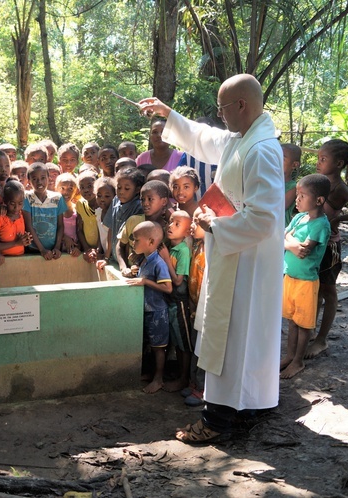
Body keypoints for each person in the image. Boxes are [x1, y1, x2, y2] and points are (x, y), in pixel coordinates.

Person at [139, 73, 285, 443]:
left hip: (246, 264)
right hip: (236, 256)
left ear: (241, 106)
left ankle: (217, 421)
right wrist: (168, 114)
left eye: (222, 108)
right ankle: (248, 409)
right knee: (242, 338)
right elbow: (206, 138)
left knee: (234, 337)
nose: (219, 115)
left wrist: (214, 223)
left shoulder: (261, 149)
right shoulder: (243, 139)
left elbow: (264, 218)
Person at [306, 139, 348, 359]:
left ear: (339, 164)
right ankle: (311, 330)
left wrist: (339, 218)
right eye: (318, 158)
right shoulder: (320, 182)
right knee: (314, 289)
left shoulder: (339, 189)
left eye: (323, 159)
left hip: (330, 246)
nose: (318, 162)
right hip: (315, 243)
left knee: (329, 291)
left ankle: (322, 340)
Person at [281, 174, 331, 379]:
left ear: (319, 200)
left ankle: (298, 361)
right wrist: (290, 242)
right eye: (297, 195)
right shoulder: (299, 217)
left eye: (302, 196)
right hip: (290, 278)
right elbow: (284, 235)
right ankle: (290, 356)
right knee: (292, 321)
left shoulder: (320, 225)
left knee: (303, 324)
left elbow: (303, 250)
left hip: (306, 283)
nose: (297, 199)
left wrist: (288, 241)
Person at [125, 221, 172, 394]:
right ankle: (151, 374)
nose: (133, 243)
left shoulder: (158, 263)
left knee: (159, 347)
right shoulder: (145, 259)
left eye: (137, 240)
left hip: (157, 311)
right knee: (150, 344)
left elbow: (168, 288)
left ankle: (158, 379)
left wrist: (145, 281)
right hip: (147, 309)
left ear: (151, 242)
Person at [163, 210, 193, 392]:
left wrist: (166, 259)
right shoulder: (171, 246)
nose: (171, 227)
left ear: (187, 231)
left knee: (184, 343)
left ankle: (184, 378)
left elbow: (178, 281)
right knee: (177, 341)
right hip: (171, 301)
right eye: (171, 222)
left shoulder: (182, 250)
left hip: (180, 302)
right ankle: (180, 374)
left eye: (177, 225)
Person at [116, 180, 171, 275]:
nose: (145, 203)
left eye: (150, 199)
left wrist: (142, 255)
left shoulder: (167, 230)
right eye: (142, 199)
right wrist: (124, 268)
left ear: (164, 201)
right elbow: (120, 246)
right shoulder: (133, 221)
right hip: (130, 275)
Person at [184, 217, 207, 406]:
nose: (192, 226)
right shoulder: (198, 246)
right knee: (194, 346)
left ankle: (201, 389)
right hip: (195, 305)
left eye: (197, 222)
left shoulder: (211, 250)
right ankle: (194, 384)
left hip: (205, 308)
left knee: (202, 349)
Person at [23, 162, 66, 260]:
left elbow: (60, 225)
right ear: (29, 181)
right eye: (34, 179)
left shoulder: (57, 198)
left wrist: (57, 247)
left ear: (48, 178)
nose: (39, 182)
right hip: (33, 249)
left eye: (43, 178)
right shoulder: (27, 198)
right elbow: (29, 225)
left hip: (52, 249)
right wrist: (42, 249)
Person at [109, 167, 145, 269]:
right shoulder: (115, 200)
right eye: (119, 187)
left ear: (137, 189)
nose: (121, 192)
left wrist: (125, 266)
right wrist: (107, 257)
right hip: (117, 259)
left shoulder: (139, 207)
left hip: (131, 263)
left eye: (127, 188)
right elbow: (110, 229)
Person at [0, 180, 32, 256]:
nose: (16, 207)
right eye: (12, 203)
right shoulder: (0, 217)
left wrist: (26, 239)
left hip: (21, 258)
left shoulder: (22, 215)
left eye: (20, 203)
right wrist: (16, 243)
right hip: (4, 260)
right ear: (4, 200)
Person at [75, 171, 100, 263]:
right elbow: (79, 229)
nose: (86, 190)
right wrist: (87, 249)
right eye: (82, 187)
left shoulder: (103, 205)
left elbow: (104, 230)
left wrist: (98, 250)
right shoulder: (80, 204)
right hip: (88, 248)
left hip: (101, 249)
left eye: (90, 186)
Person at [56, 173, 81, 256]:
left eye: (70, 188)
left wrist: (78, 248)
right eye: (62, 188)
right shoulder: (52, 209)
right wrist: (64, 237)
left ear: (76, 191)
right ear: (56, 189)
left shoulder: (77, 209)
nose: (66, 192)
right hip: (57, 251)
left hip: (73, 252)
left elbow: (81, 232)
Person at [93, 176, 116, 262]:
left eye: (107, 196)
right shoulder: (98, 212)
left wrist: (107, 256)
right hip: (105, 255)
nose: (102, 199)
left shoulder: (115, 214)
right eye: (99, 196)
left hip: (113, 256)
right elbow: (101, 234)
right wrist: (99, 249)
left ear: (115, 196)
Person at [281, 144, 301, 227]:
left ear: (294, 165)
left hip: (280, 229)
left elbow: (279, 208)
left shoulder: (293, 187)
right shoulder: (268, 180)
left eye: (282, 159)